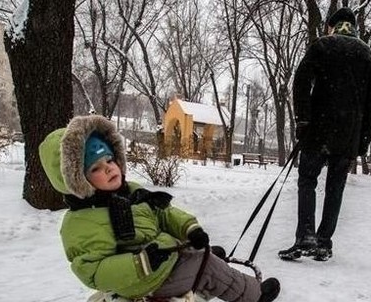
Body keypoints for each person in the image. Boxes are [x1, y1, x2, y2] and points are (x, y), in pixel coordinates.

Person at [38, 115, 280, 302]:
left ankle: (198, 262)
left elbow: (163, 213)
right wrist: (140, 263)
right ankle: (254, 294)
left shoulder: (129, 192)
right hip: (143, 280)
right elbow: (94, 272)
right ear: (76, 181)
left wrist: (189, 229)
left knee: (202, 252)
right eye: (96, 168)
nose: (110, 169)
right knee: (207, 266)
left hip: (159, 260)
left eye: (110, 160)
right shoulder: (82, 223)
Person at [279, 7, 371, 262]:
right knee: (335, 188)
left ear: (332, 25)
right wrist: (362, 141)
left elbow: (301, 81)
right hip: (348, 135)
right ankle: (324, 243)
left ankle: (305, 236)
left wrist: (303, 119)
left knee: (307, 181)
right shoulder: (368, 56)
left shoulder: (323, 46)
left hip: (318, 129)